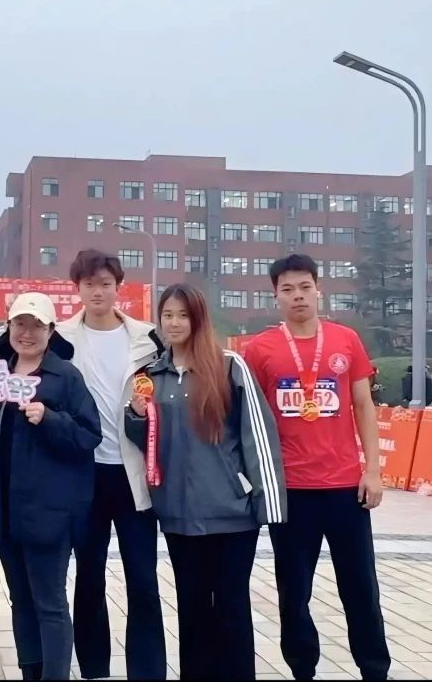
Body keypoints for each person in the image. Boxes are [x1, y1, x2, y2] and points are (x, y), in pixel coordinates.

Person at [125, 283, 286, 680]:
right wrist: (136, 416)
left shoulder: (229, 366)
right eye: (167, 315)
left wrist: (268, 505)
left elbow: (258, 436)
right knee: (192, 609)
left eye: (183, 315)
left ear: (198, 319)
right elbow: (147, 442)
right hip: (178, 516)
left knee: (231, 607)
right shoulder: (150, 376)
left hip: (233, 515)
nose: (174, 323)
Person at [241, 254, 391, 682]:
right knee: (294, 592)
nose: (298, 296)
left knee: (360, 587)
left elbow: (363, 406)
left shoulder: (346, 340)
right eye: (287, 289)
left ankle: (374, 669)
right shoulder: (260, 349)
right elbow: (250, 417)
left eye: (305, 287)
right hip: (290, 491)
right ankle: (302, 669)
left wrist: (373, 470)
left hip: (346, 488)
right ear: (275, 296)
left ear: (318, 290)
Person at [0, 292, 101, 681]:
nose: (27, 332)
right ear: (8, 327)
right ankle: (30, 672)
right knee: (20, 600)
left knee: (50, 604)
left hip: (49, 514)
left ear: (51, 331)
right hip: (5, 511)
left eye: (36, 325)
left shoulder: (65, 377)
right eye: (20, 324)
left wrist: (50, 418)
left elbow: (89, 435)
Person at [59, 250, 166, 681]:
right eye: (89, 284)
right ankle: (93, 668)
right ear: (78, 289)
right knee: (88, 576)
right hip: (84, 474)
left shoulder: (148, 338)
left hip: (133, 473)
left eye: (105, 283)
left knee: (143, 578)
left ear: (119, 286)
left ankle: (148, 670)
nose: (98, 291)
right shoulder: (61, 338)